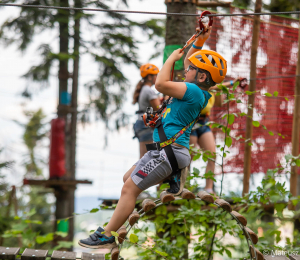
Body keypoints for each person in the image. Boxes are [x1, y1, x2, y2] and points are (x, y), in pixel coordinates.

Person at [78, 26, 227, 249]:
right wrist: (199, 41)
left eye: (191, 69)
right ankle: (173, 179)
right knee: (127, 178)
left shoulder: (194, 92)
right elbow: (188, 63)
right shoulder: (196, 89)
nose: (186, 70)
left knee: (130, 189)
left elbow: (160, 84)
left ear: (202, 76)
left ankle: (107, 235)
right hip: (164, 151)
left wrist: (169, 61)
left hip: (169, 152)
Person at [190, 78, 241, 194]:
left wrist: (220, 89)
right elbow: (211, 87)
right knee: (188, 157)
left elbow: (219, 103)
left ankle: (208, 189)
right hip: (191, 122)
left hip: (204, 122)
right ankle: (185, 187)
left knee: (212, 155)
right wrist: (232, 83)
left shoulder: (214, 87)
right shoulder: (201, 83)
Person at [133, 64, 161, 158]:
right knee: (146, 158)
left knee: (145, 158)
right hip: (146, 126)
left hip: (142, 124)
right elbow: (159, 108)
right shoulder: (148, 91)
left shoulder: (144, 89)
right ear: (150, 76)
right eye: (156, 75)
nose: (157, 78)